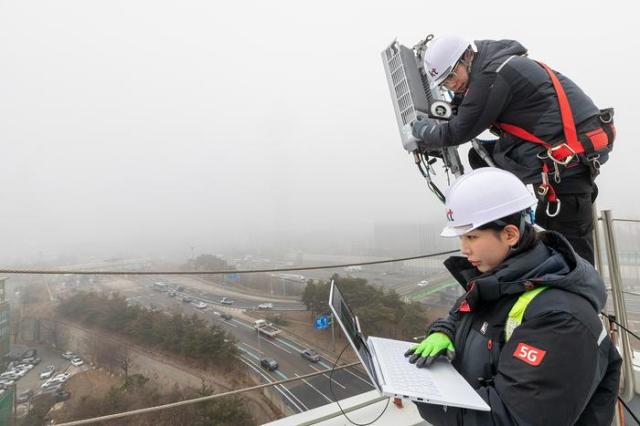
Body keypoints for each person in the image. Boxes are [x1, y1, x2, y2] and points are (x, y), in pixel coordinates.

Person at [405, 167, 621, 426]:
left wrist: (426, 394)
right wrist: (443, 332)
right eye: (462, 237)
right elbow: (460, 316)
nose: (464, 248)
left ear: (510, 234)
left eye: (471, 236)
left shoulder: (561, 319)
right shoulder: (498, 281)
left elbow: (513, 420)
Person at [411, 35, 615, 266]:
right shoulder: (493, 66)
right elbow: (467, 107)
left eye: (451, 76)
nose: (452, 85)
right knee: (480, 159)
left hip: (567, 163)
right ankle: (511, 228)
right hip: (558, 152)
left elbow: (456, 133)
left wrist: (421, 129)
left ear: (467, 57)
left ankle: (581, 296)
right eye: (445, 83)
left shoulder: (492, 76)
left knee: (573, 255)